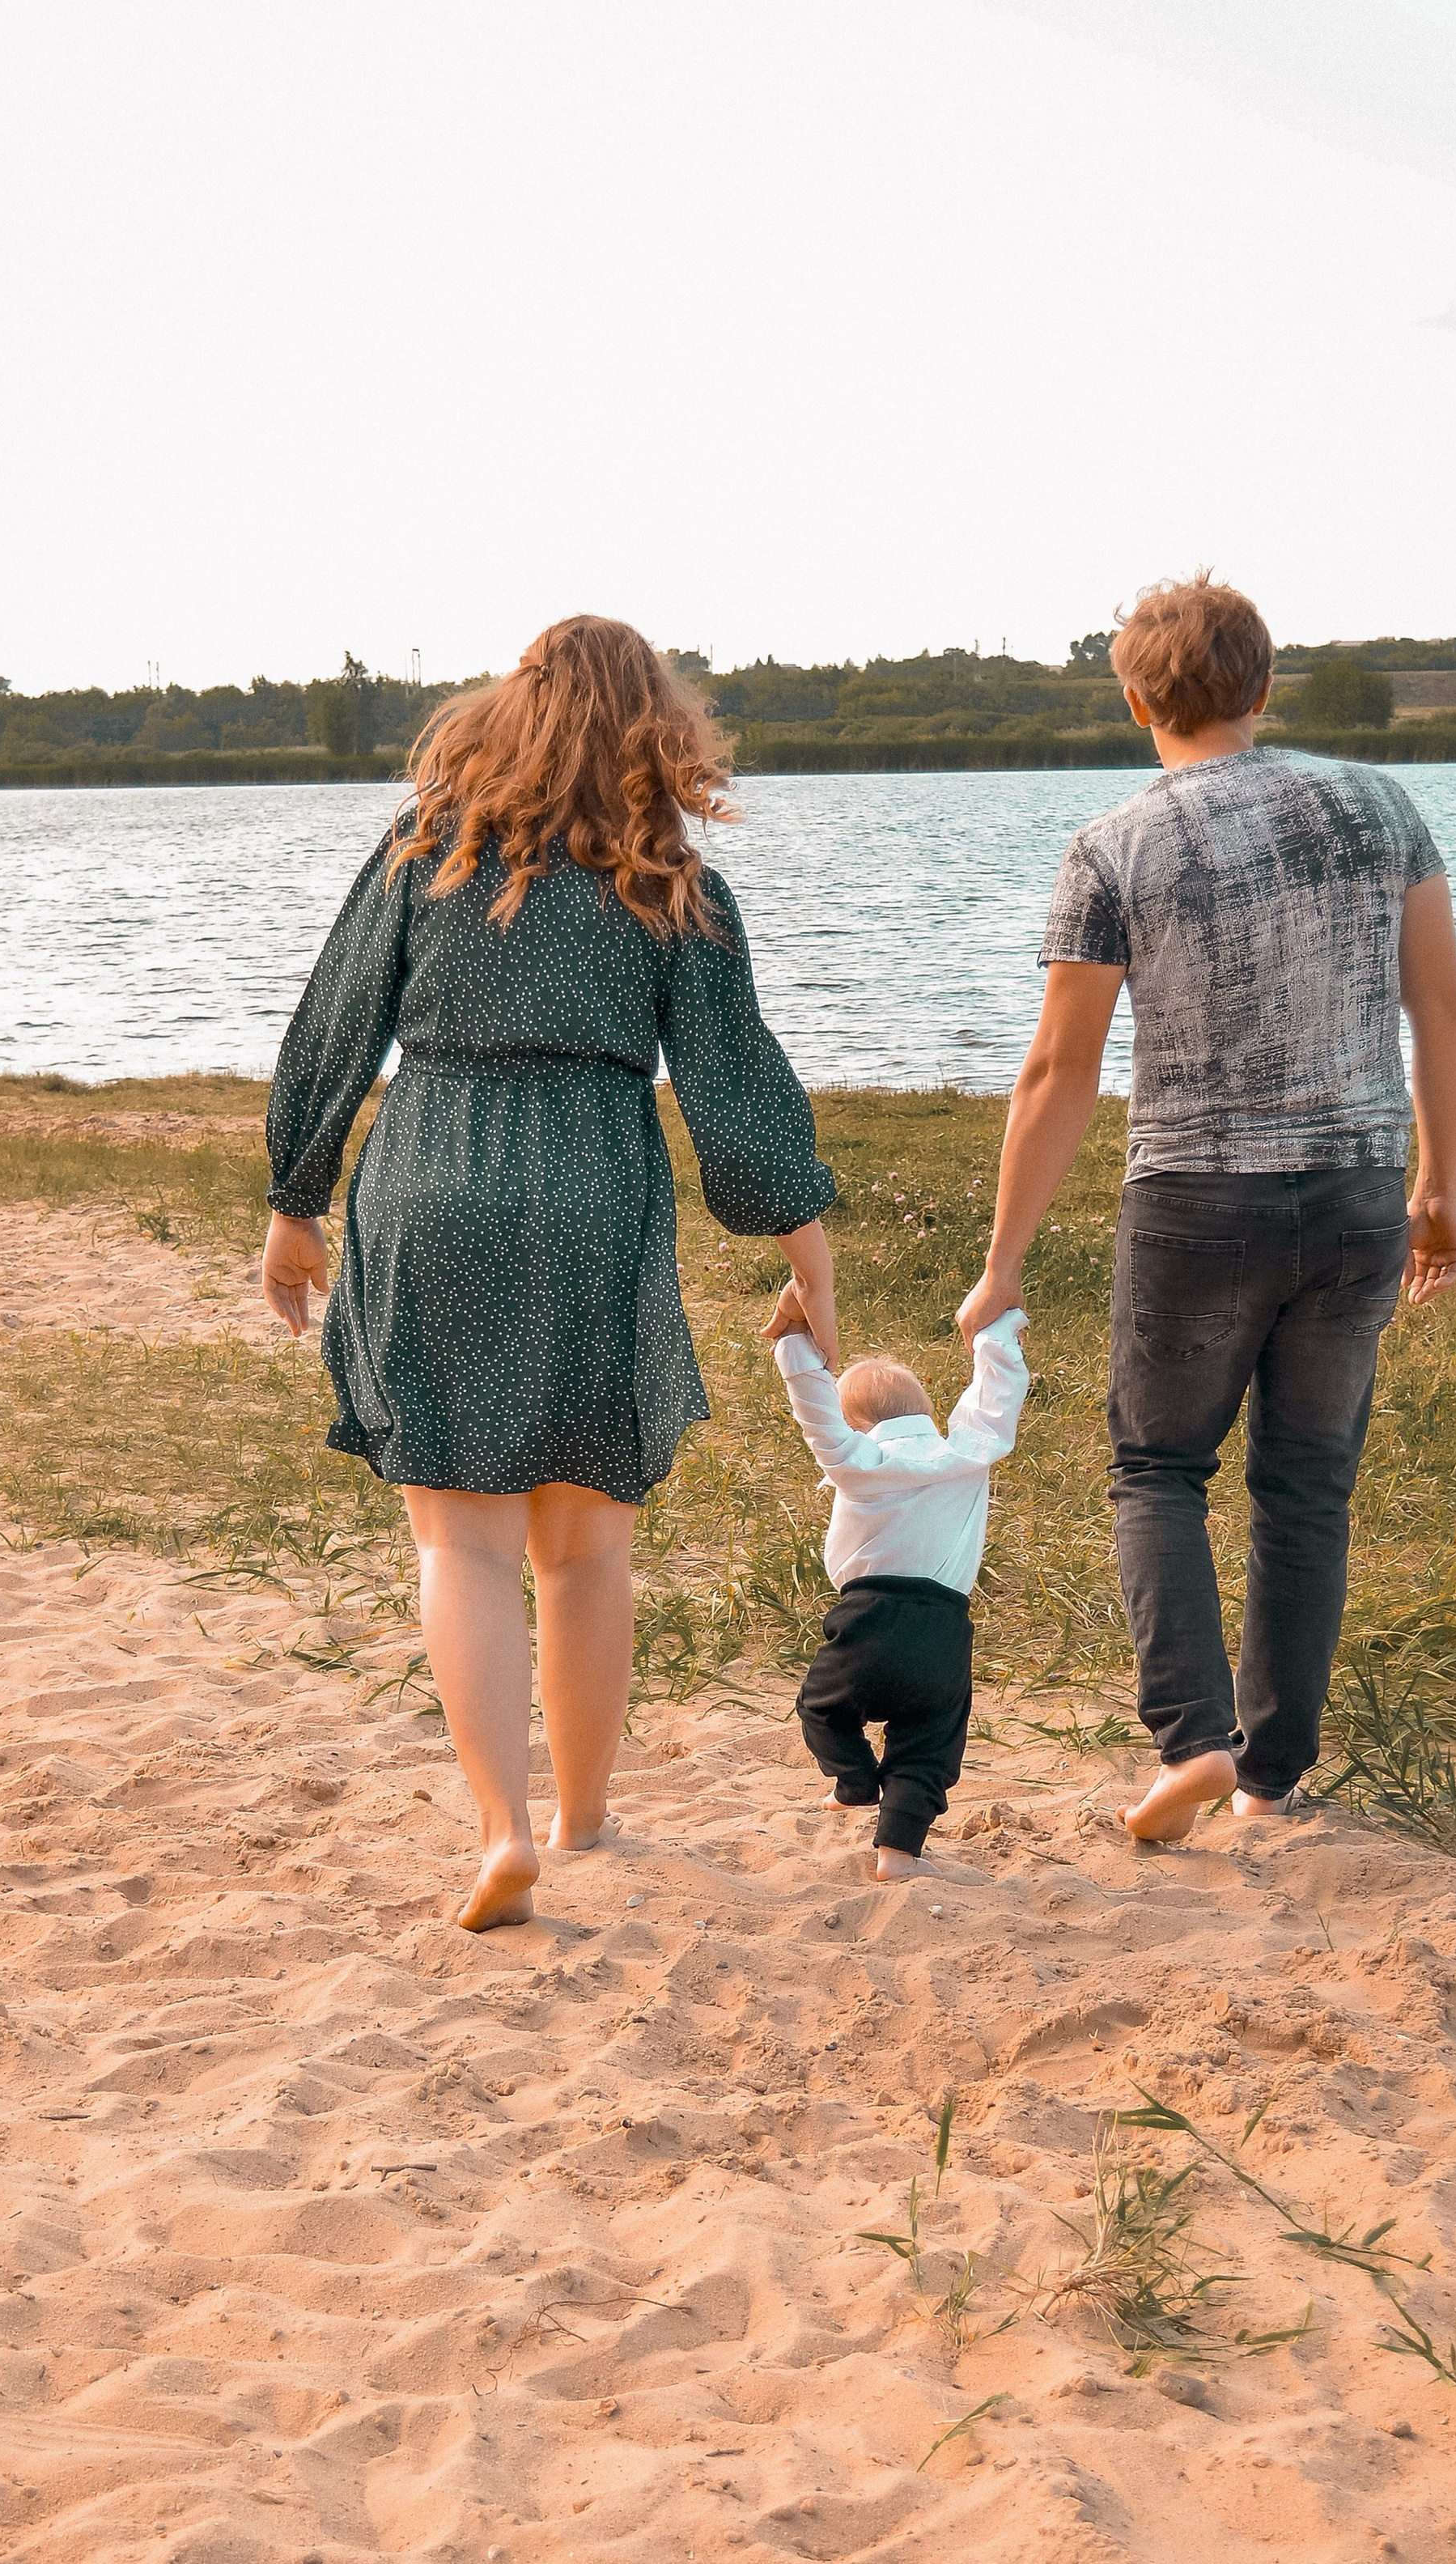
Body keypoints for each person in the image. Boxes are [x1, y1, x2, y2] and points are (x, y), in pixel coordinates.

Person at [261, 614, 838, 1930]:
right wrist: (807, 1247)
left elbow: (333, 1023)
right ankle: (583, 1819)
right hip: (590, 1186)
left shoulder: (429, 848)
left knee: (459, 1540)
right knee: (582, 1552)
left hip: (432, 1171)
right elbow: (737, 1094)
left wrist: (296, 1199)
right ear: (659, 730)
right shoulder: (669, 881)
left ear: (507, 713)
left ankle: (502, 1828)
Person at [956, 571, 1456, 1842]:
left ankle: (1192, 1738)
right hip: (1358, 1191)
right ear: (1264, 686)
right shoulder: (1382, 807)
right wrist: (1441, 1187)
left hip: (1195, 1197)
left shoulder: (1113, 847)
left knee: (1158, 1468)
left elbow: (1058, 1072)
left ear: (1137, 699)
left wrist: (1003, 1261)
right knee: (1307, 1487)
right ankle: (1269, 1775)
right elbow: (1442, 1012)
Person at [770, 1315, 1029, 1877]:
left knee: (821, 1707)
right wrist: (997, 1335)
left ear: (855, 1426)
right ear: (928, 1415)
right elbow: (995, 1401)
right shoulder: (968, 1454)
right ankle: (899, 1853)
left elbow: (815, 1413)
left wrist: (796, 1343)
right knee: (928, 1746)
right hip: (943, 1632)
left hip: (866, 1620)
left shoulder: (861, 1462)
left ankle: (855, 1781)